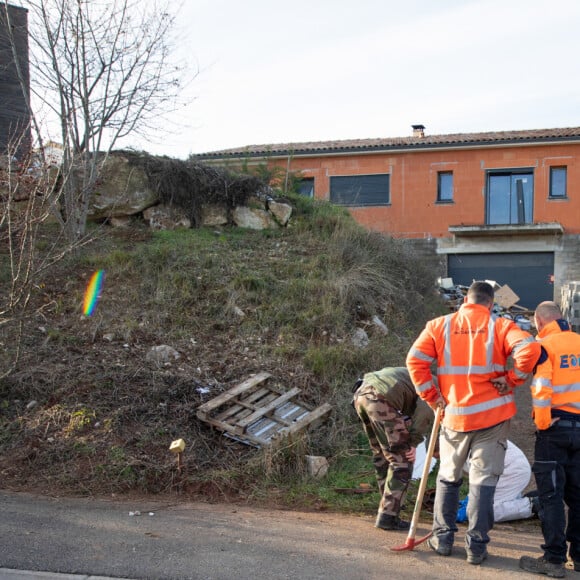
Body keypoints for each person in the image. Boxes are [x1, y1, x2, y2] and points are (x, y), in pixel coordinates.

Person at [406, 280, 540, 565]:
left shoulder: (438, 325)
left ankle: (442, 539)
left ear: (464, 300)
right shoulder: (500, 326)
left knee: (448, 477)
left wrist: (432, 397)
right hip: (492, 419)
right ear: (490, 304)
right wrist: (513, 379)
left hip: (454, 416)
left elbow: (415, 361)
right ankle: (476, 548)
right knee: (482, 482)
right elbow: (530, 350)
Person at [519, 301, 580, 578]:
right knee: (578, 497)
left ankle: (554, 559)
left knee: (551, 495)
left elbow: (542, 389)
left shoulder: (544, 347)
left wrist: (542, 424)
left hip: (554, 430)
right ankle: (578, 558)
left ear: (540, 322)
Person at [352, 366, 435, 531]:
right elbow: (425, 411)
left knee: (382, 456)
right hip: (380, 400)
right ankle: (388, 516)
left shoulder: (409, 373)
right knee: (402, 459)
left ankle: (388, 507)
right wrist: (412, 443)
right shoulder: (434, 383)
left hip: (360, 396)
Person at [461, 440, 538, 523]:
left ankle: (534, 505)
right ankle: (518, 499)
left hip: (510, 470)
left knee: (484, 512)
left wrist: (471, 501)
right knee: (478, 506)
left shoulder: (456, 443)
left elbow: (479, 477)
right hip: (508, 466)